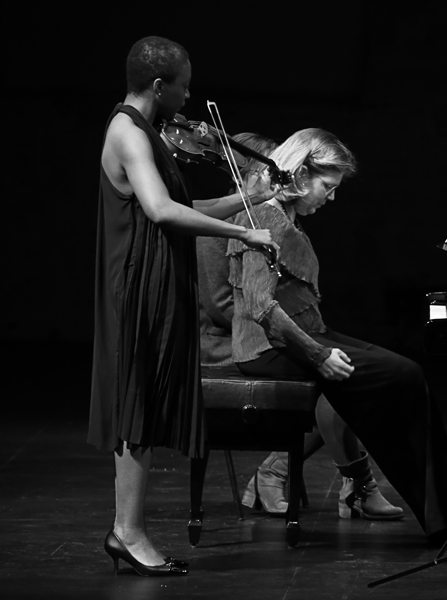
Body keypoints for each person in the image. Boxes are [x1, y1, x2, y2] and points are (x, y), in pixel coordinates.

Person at [228, 128, 447, 539]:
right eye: (328, 186)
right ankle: (446, 516)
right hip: (268, 349)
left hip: (300, 337)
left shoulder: (283, 215)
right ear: (300, 174)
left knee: (406, 374)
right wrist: (318, 355)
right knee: (400, 377)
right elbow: (261, 308)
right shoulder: (265, 217)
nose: (332, 197)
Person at [88, 36, 279, 577]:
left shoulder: (144, 130)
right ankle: (127, 532)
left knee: (144, 403)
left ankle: (128, 530)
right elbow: (161, 211)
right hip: (136, 283)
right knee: (136, 404)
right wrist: (246, 233)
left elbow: (183, 205)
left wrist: (251, 201)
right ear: (158, 85)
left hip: (154, 277)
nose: (189, 98)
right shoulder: (128, 132)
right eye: (184, 86)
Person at [196, 132, 402, 519]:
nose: (275, 180)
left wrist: (296, 327)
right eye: (266, 171)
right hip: (229, 341)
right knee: (338, 381)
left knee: (346, 371)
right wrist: (291, 333)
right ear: (246, 173)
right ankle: (328, 479)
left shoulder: (276, 217)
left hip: (269, 331)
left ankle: (342, 483)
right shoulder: (221, 224)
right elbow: (222, 306)